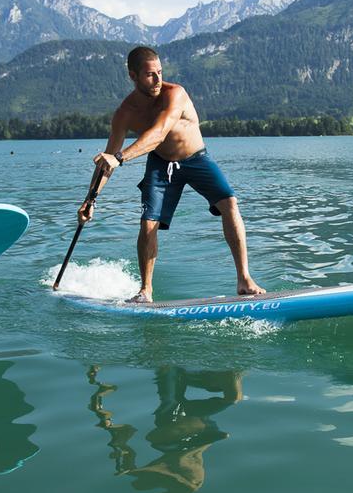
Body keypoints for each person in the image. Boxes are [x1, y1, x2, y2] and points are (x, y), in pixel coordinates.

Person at [79, 46, 263, 303]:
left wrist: (119, 158)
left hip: (196, 158)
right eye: (149, 75)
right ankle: (146, 291)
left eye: (160, 72)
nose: (157, 80)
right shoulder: (125, 112)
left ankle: (244, 279)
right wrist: (91, 200)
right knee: (148, 223)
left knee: (230, 203)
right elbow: (107, 159)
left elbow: (159, 133)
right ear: (133, 76)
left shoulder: (175, 93)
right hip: (161, 165)